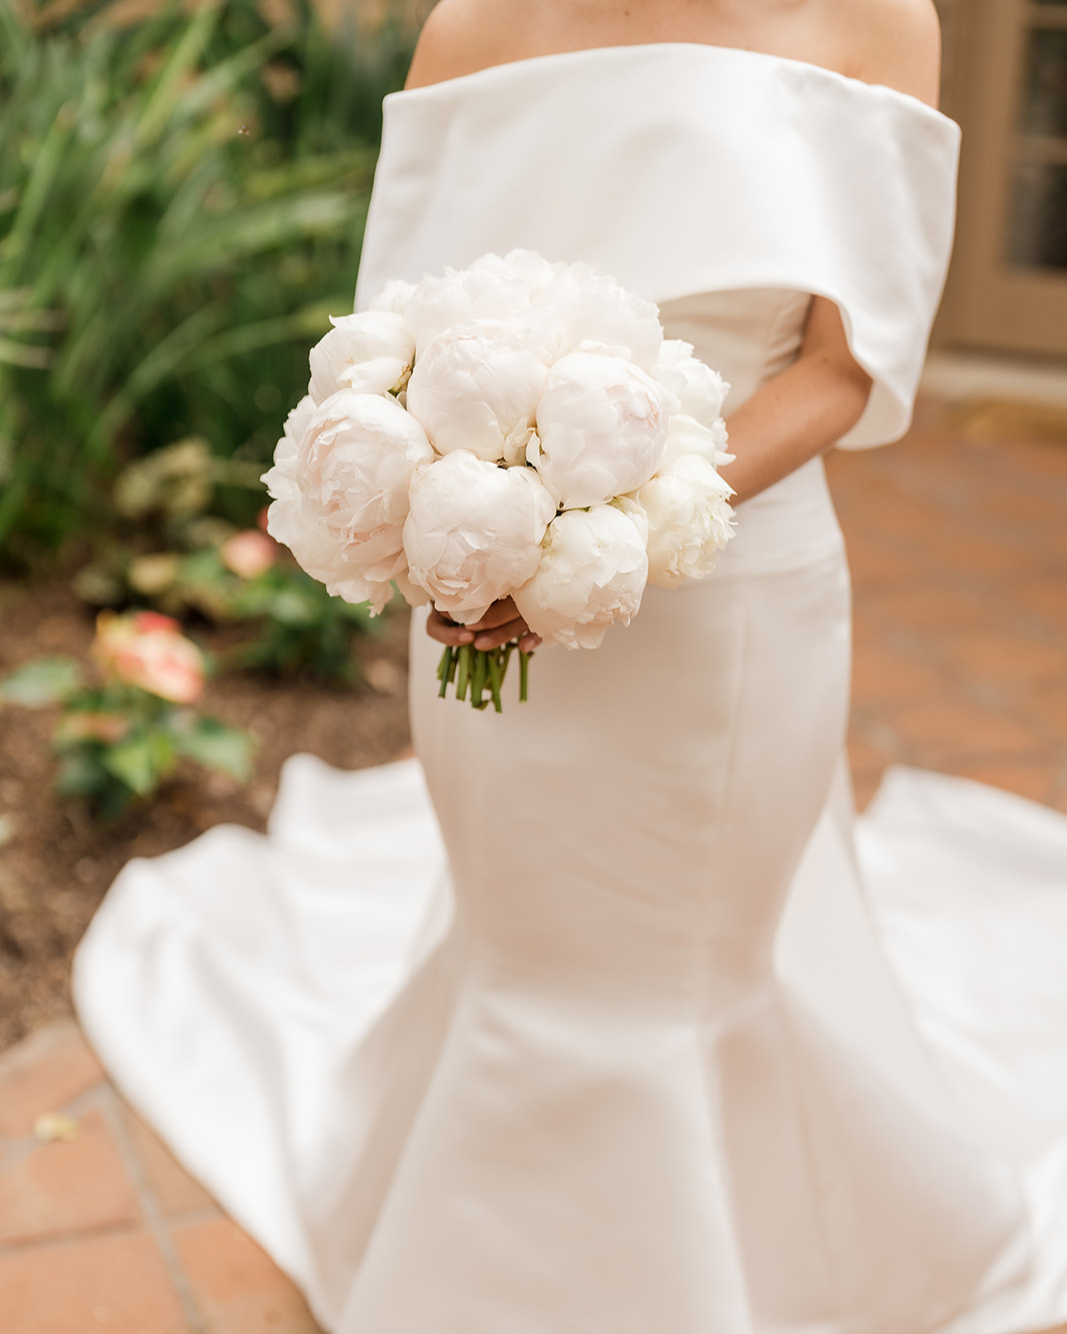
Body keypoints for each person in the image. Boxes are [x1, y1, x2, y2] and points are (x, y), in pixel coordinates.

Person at [74, 3, 1067, 1332]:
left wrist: (609, 524)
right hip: (485, 590)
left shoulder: (873, 22)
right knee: (524, 946)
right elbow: (396, 341)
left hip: (733, 599)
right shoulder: (472, 25)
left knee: (687, 967)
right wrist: (456, 525)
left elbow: (848, 365)